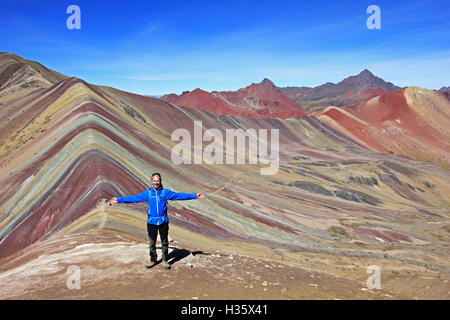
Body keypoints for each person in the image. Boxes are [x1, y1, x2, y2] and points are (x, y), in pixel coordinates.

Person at [109, 173, 205, 270]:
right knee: (152, 242)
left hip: (163, 221)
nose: (156, 183)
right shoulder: (148, 193)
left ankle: (164, 260)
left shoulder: (165, 193)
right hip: (151, 222)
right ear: (152, 181)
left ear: (160, 181)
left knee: (164, 242)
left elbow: (179, 195)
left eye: (157, 181)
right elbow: (133, 198)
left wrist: (195, 196)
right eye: (154, 181)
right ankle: (153, 259)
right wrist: (118, 200)